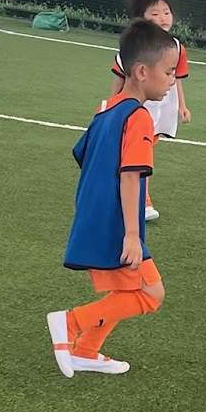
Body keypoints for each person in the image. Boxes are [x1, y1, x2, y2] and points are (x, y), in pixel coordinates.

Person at [47, 19, 179, 377]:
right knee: (152, 293)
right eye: (168, 72)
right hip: (117, 224)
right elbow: (130, 175)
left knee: (133, 289)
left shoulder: (105, 110)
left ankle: (86, 350)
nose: (172, 81)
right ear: (141, 72)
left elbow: (83, 155)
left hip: (95, 217)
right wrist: (132, 235)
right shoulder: (138, 118)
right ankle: (71, 323)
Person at [109, 0, 190, 221]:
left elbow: (178, 79)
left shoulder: (176, 47)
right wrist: (111, 105)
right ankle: (141, 201)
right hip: (135, 108)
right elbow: (120, 76)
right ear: (141, 18)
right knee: (136, 153)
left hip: (161, 108)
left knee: (142, 151)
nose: (162, 17)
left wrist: (182, 106)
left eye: (166, 12)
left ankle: (135, 196)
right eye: (154, 13)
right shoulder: (135, 47)